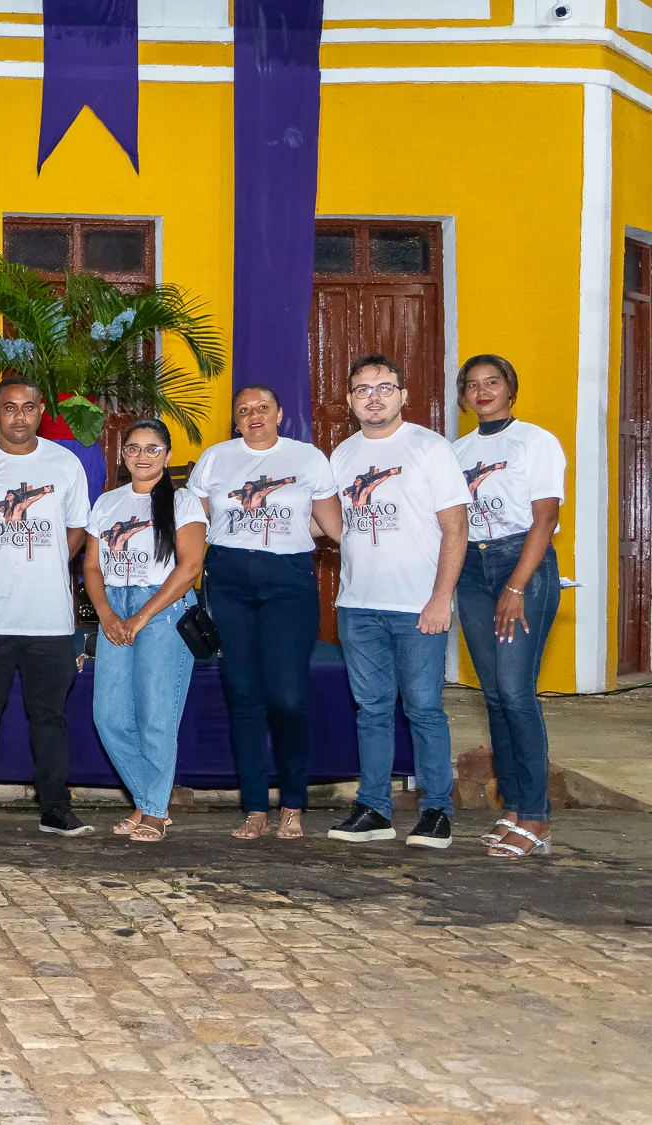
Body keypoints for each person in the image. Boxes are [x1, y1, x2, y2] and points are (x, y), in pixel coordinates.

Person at [186, 385, 341, 841]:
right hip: (228, 579)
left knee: (288, 697)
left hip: (287, 581)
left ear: (280, 414)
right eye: (244, 410)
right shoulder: (216, 458)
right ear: (235, 420)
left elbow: (333, 526)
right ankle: (254, 806)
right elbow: (194, 523)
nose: (254, 415)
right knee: (243, 693)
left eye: (263, 408)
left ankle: (293, 802)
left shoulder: (307, 458)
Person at [327, 354, 469, 848]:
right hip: (357, 604)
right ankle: (374, 809)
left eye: (384, 387)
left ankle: (436, 811)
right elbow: (333, 527)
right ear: (350, 400)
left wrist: (441, 597)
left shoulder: (430, 449)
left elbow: (456, 529)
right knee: (371, 710)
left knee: (425, 708)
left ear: (403, 395)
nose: (374, 397)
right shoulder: (341, 456)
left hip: (418, 606)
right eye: (363, 389)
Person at [0, 377, 93, 839]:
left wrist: (42, 564)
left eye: (28, 408)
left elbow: (76, 530)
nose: (19, 417)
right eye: (9, 408)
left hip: (48, 618)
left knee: (50, 718)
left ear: (40, 411)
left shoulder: (65, 463)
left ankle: (55, 809)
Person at [453, 354, 566, 859]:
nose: (482, 391)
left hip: (522, 562)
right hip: (473, 570)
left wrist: (517, 586)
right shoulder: (457, 450)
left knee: (519, 693)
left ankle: (538, 817)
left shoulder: (536, 441)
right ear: (463, 396)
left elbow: (544, 519)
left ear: (510, 389)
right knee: (495, 696)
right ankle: (515, 807)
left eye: (492, 382)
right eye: (472, 385)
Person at [81, 420, 207, 844]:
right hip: (115, 605)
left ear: (167, 455)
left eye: (153, 449)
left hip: (165, 608)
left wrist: (142, 616)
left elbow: (189, 568)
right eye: (134, 448)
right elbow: (93, 567)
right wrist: (107, 614)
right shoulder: (107, 503)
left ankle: (152, 811)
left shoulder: (183, 502)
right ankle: (149, 799)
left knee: (156, 716)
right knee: (109, 717)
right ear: (123, 456)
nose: (142, 456)